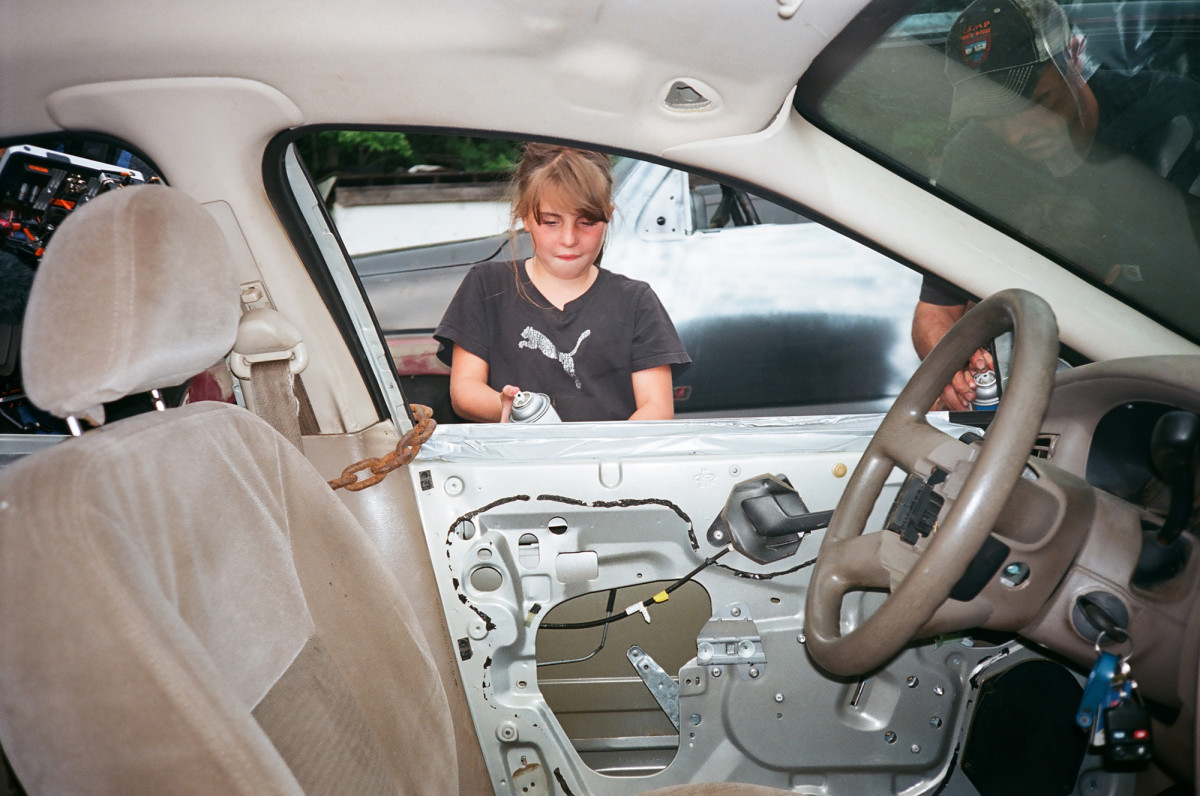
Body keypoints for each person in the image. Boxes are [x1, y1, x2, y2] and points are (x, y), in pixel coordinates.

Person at [914, 0, 1200, 410]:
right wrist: (950, 366)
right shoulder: (975, 158)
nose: (1016, 133)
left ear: (1071, 58)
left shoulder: (1175, 118)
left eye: (1036, 102)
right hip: (1045, 398)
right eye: (994, 115)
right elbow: (935, 311)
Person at [434, 143, 691, 422]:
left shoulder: (637, 300)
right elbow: (464, 391)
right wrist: (511, 408)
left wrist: (601, 456)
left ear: (608, 216)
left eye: (586, 222)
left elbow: (657, 407)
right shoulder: (486, 285)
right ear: (525, 217)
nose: (569, 239)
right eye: (551, 222)